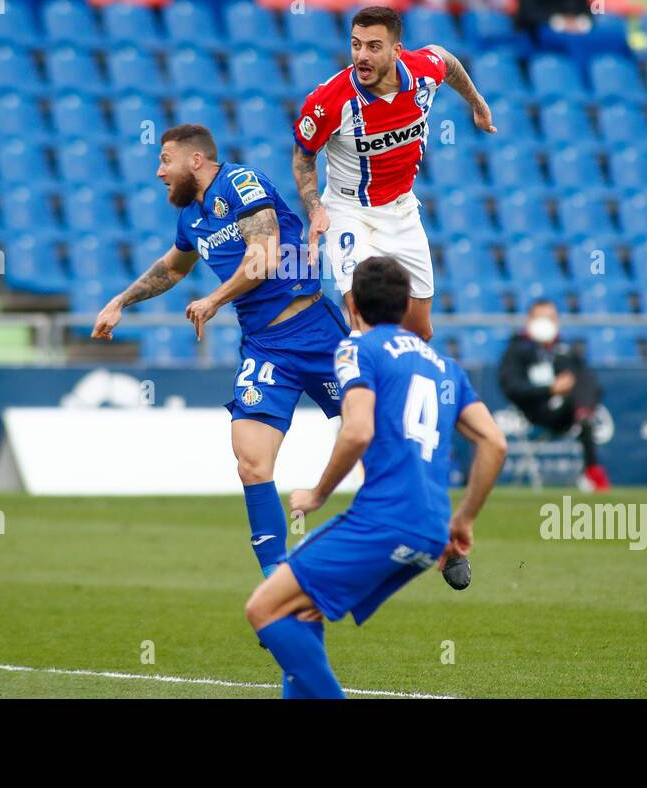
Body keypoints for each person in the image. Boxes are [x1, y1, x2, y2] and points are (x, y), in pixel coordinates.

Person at [92, 124, 349, 589]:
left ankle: (440, 535)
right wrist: (120, 302)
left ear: (196, 160)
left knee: (374, 433)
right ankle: (278, 583)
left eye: (165, 159)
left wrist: (214, 299)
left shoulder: (241, 182)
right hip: (265, 347)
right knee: (250, 460)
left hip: (314, 331)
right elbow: (172, 267)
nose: (159, 172)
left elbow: (266, 253)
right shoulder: (192, 217)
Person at [245, 257, 507, 698]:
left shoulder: (355, 349)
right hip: (430, 530)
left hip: (383, 521)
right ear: (408, 306)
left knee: (265, 609)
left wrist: (318, 493)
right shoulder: (444, 367)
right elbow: (495, 444)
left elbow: (358, 430)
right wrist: (463, 519)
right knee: (301, 613)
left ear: (352, 310)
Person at [292, 5, 495, 343]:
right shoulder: (329, 101)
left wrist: (477, 103)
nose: (361, 55)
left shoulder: (422, 72)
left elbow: (446, 60)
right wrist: (316, 209)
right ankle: (362, 389)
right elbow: (302, 158)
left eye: (373, 46)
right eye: (356, 44)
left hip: (401, 210)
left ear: (396, 51)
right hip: (348, 211)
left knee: (420, 332)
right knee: (362, 318)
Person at [498, 299, 610, 492]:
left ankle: (591, 461)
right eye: (540, 317)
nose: (545, 322)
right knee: (581, 391)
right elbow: (512, 388)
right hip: (535, 412)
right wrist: (550, 389)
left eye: (550, 317)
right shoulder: (517, 350)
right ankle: (584, 420)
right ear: (529, 320)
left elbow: (593, 386)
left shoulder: (565, 351)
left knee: (583, 375)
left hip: (569, 411)